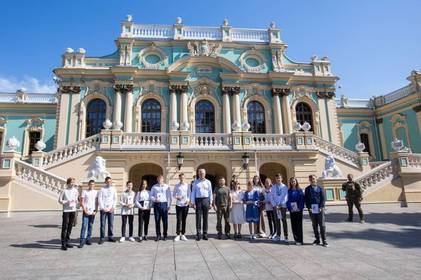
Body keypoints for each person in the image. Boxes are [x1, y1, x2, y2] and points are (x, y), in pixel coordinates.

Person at [305, 174, 328, 247]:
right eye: (311, 179)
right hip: (312, 209)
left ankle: (324, 240)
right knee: (314, 225)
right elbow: (306, 199)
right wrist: (309, 207)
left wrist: (321, 207)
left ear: (316, 179)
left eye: (313, 178)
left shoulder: (320, 188)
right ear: (309, 180)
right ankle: (317, 239)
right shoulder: (307, 189)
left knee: (322, 225)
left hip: (320, 209)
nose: (312, 180)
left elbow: (323, 198)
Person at [190, 168, 213, 241]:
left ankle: (205, 234)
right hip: (198, 201)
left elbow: (210, 192)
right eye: (200, 173)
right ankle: (198, 234)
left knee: (205, 218)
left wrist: (211, 202)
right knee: (198, 218)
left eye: (202, 173)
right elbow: (193, 192)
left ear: (205, 174)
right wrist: (193, 203)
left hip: (206, 200)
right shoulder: (195, 182)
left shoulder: (208, 182)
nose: (201, 174)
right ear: (198, 174)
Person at [58, 177, 79, 250]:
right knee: (65, 226)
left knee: (70, 226)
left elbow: (76, 199)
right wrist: (66, 202)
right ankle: (63, 243)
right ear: (68, 183)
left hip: (73, 210)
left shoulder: (76, 191)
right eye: (71, 182)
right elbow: (60, 200)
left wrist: (76, 201)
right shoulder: (64, 190)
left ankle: (67, 241)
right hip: (66, 210)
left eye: (73, 182)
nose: (72, 184)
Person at [150, 175, 172, 241]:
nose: (160, 180)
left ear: (163, 179)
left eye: (161, 179)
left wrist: (168, 206)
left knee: (165, 221)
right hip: (157, 205)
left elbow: (169, 197)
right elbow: (151, 195)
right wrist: (154, 199)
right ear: (157, 179)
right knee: (157, 220)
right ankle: (158, 235)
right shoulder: (154, 187)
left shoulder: (166, 186)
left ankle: (165, 235)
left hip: (164, 205)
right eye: (158, 179)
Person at [98, 176, 117, 244]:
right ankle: (102, 238)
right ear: (105, 182)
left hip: (111, 209)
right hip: (103, 209)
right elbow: (100, 199)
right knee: (102, 224)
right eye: (107, 181)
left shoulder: (114, 189)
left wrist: (113, 207)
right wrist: (103, 208)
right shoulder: (102, 189)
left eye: (110, 181)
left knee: (111, 224)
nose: (109, 183)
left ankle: (110, 237)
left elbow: (115, 199)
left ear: (111, 182)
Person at [78, 179, 98, 248]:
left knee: (90, 225)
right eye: (91, 184)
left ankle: (88, 239)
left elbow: (96, 202)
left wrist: (96, 210)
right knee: (84, 225)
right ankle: (82, 240)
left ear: (94, 185)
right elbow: (82, 201)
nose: (92, 185)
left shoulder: (96, 192)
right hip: (86, 211)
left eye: (93, 184)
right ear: (88, 185)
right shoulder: (85, 192)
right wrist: (84, 210)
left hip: (92, 211)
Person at [270, 173, 289, 243]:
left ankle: (286, 236)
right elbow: (271, 196)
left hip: (282, 206)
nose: (278, 179)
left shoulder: (285, 187)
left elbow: (286, 197)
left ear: (282, 179)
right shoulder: (273, 187)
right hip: (275, 207)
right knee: (277, 221)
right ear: (275, 179)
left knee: (284, 220)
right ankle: (278, 235)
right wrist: (275, 205)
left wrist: (281, 204)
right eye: (277, 178)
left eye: (279, 178)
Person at [286, 177, 305, 245]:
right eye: (291, 181)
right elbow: (287, 200)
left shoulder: (299, 190)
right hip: (292, 210)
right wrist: (290, 207)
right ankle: (296, 239)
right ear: (290, 183)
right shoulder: (289, 191)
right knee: (293, 224)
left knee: (299, 225)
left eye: (294, 181)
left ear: (296, 182)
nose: (293, 182)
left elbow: (302, 199)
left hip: (299, 210)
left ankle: (300, 240)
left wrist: (299, 207)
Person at [173, 173, 190, 242]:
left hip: (185, 205)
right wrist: (177, 197)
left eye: (183, 177)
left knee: (184, 220)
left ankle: (183, 234)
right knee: (178, 220)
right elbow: (174, 194)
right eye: (180, 178)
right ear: (179, 178)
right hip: (179, 205)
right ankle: (177, 234)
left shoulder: (187, 186)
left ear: (185, 178)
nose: (182, 179)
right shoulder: (177, 186)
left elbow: (189, 194)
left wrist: (188, 201)